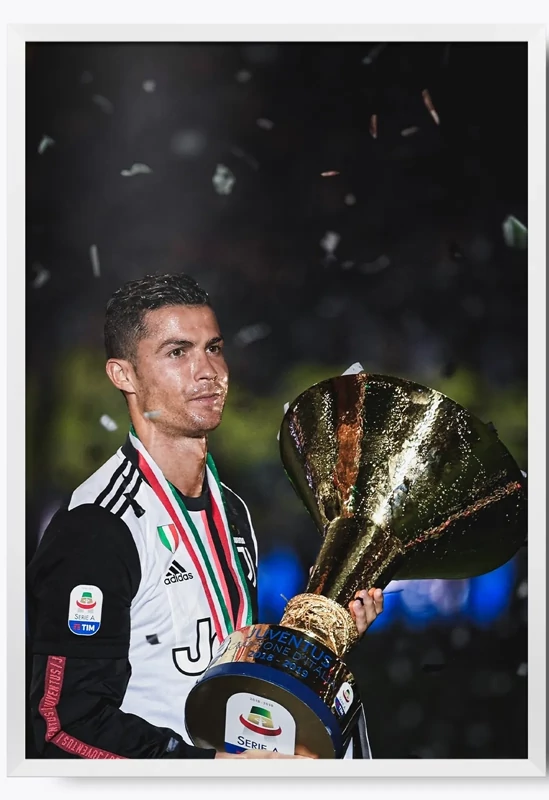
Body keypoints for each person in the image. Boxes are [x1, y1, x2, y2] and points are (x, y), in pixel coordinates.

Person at [26, 273, 384, 759]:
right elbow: (61, 726)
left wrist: (320, 640)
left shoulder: (231, 509)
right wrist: (205, 769)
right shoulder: (98, 526)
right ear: (123, 375)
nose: (208, 371)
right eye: (178, 352)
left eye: (213, 348)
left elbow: (224, 670)